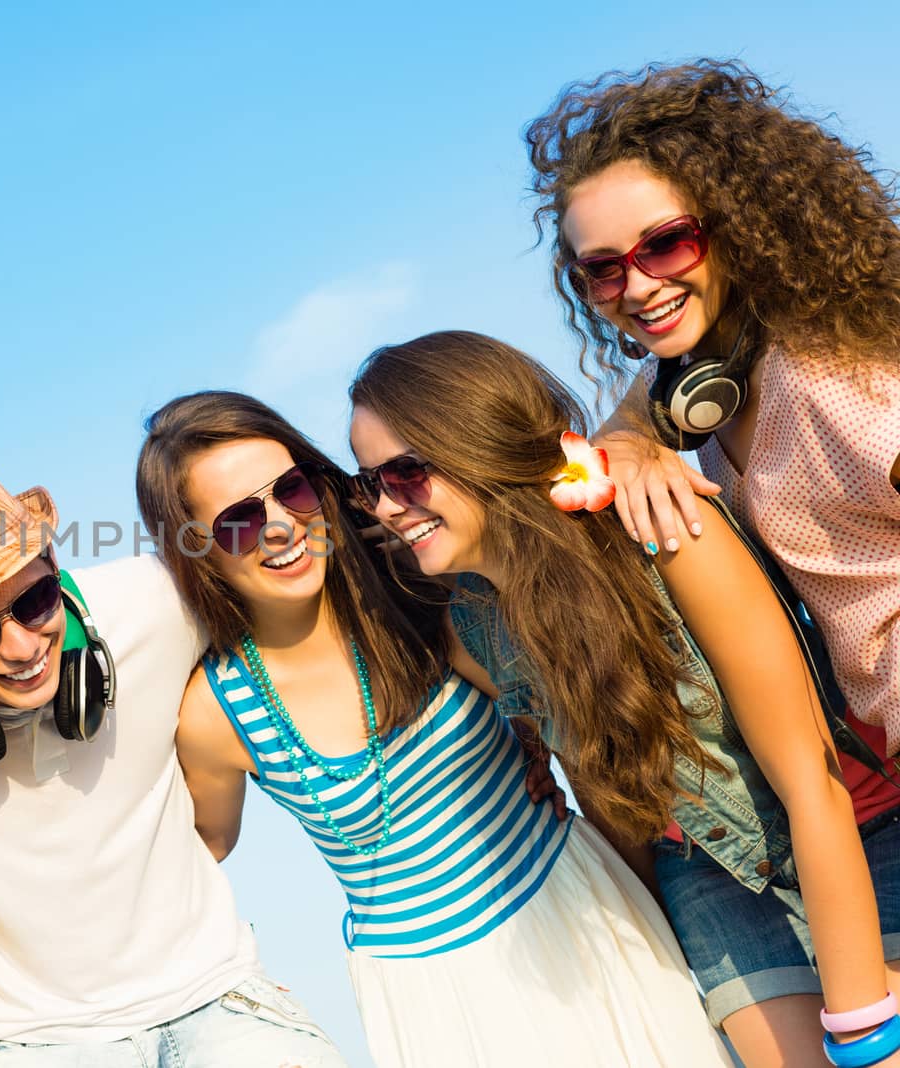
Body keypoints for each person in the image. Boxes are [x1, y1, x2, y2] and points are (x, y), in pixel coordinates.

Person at [351, 330, 900, 1067]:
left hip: (858, 831)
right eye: (369, 484)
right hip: (712, 877)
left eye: (406, 474)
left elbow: (809, 778)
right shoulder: (474, 629)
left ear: (481, 445)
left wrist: (864, 1032)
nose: (386, 506)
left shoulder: (658, 529)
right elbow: (611, 801)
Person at [137, 389, 730, 1067]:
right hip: (435, 998)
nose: (279, 526)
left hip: (581, 910)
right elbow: (188, 857)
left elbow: (578, 716)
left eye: (292, 491)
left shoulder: (422, 597)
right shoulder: (216, 714)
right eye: (239, 520)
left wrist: (629, 447)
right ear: (195, 549)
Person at [0, 447, 347, 1066]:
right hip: (29, 1038)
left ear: (51, 558)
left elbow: (318, 587)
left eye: (36, 601)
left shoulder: (159, 600)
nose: (21, 648)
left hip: (218, 995)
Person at [524, 60, 900, 775]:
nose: (637, 286)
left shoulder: (830, 377)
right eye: (601, 270)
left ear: (735, 227)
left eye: (665, 244)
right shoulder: (708, 371)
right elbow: (623, 423)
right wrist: (630, 443)